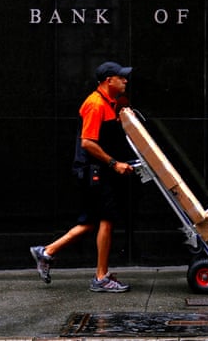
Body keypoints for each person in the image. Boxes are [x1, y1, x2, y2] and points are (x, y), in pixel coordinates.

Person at [30, 61, 136, 292]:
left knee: (90, 222)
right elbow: (87, 142)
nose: (125, 81)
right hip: (94, 172)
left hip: (97, 171)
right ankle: (101, 278)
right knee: (106, 219)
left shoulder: (110, 103)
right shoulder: (95, 104)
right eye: (122, 77)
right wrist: (114, 163)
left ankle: (46, 252)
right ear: (109, 81)